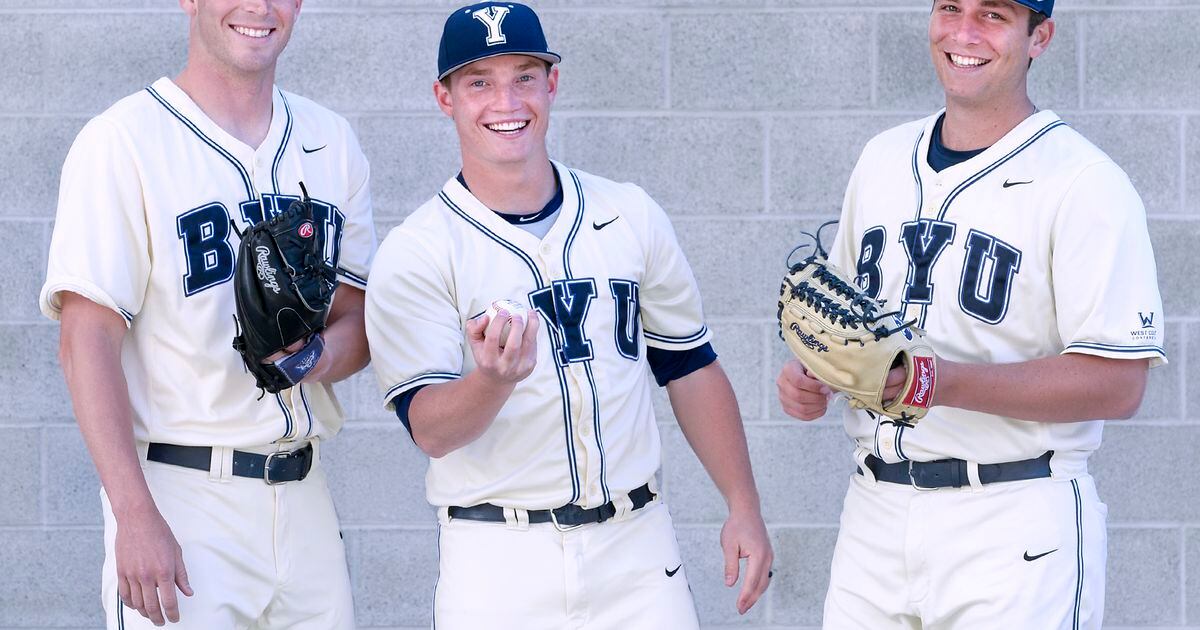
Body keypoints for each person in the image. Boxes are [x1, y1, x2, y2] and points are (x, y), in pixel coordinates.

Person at [364, 2, 772, 627]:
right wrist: (490, 383)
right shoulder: (418, 249)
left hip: (637, 547)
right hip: (497, 557)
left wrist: (742, 503)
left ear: (552, 84)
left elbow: (690, 366)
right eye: (479, 82)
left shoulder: (628, 213)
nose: (507, 101)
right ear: (445, 98)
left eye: (524, 76)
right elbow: (432, 431)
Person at [777, 0, 1165, 627]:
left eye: (993, 15)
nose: (963, 33)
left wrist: (939, 381)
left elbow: (1119, 382)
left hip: (1013, 519)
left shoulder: (1085, 181)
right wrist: (812, 373)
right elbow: (847, 324)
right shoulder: (881, 158)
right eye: (951, 7)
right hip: (873, 513)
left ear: (1040, 36)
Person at [39, 0, 375, 627]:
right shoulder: (124, 139)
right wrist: (134, 513)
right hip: (180, 491)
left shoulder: (331, 140)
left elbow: (357, 320)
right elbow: (85, 343)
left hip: (304, 496)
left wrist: (312, 358)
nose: (259, 8)